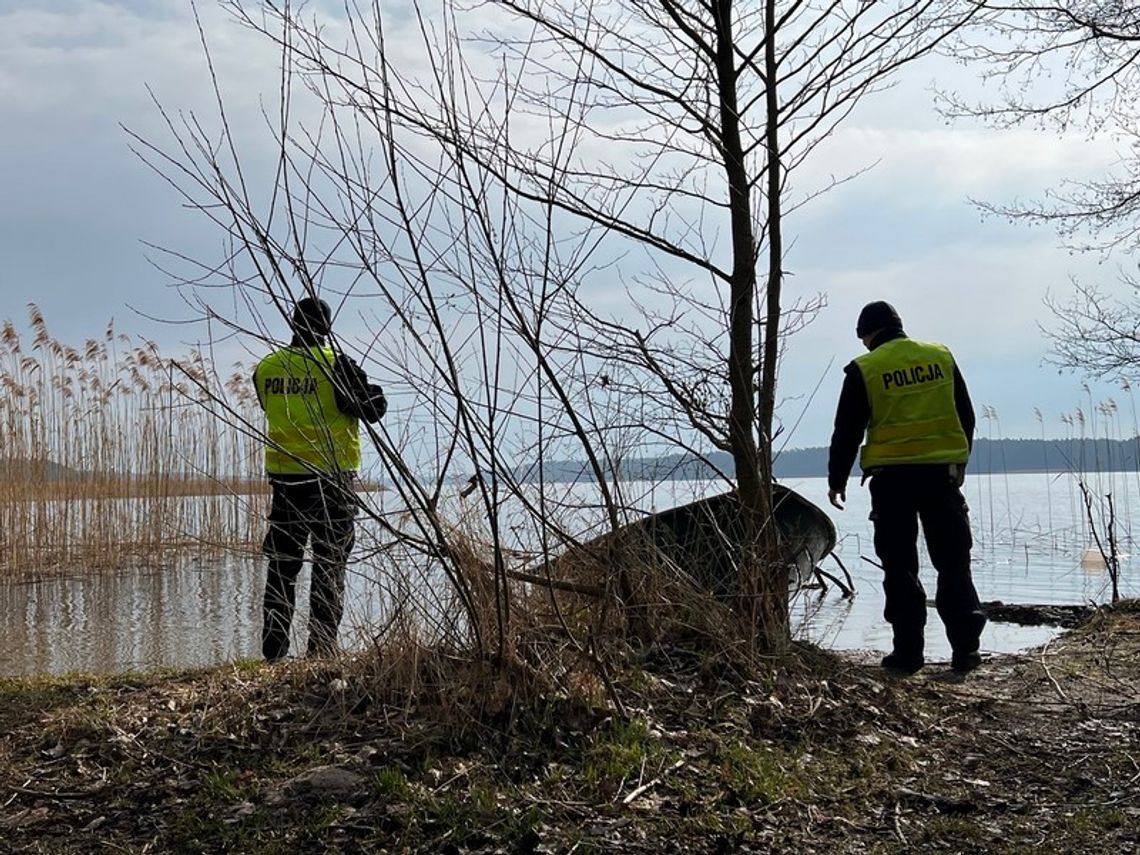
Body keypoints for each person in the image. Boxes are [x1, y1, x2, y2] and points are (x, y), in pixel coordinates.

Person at [827, 301, 986, 674]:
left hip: (892, 481)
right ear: (899, 326)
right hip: (940, 477)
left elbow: (846, 431)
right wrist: (958, 463)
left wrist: (837, 479)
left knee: (899, 567)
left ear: (868, 334)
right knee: (953, 564)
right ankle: (966, 651)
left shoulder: (865, 368)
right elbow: (966, 416)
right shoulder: (940, 357)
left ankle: (909, 654)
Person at [253, 296, 387, 661]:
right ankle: (322, 651)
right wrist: (374, 394)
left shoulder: (267, 367)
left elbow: (269, 406)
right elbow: (371, 410)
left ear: (293, 324)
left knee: (283, 566)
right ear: (327, 328)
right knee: (330, 565)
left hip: (285, 481)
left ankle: (274, 653)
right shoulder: (336, 365)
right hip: (331, 481)